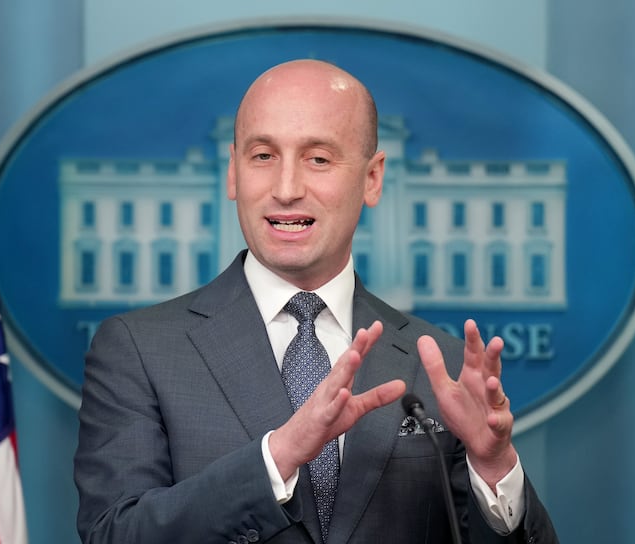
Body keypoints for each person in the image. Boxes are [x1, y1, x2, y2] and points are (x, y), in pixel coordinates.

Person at [74, 58, 559, 543]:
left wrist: (494, 468)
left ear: (372, 179)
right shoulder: (139, 350)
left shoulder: (442, 365)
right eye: (263, 156)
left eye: (318, 159)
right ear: (232, 173)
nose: (286, 190)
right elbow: (114, 534)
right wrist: (279, 456)